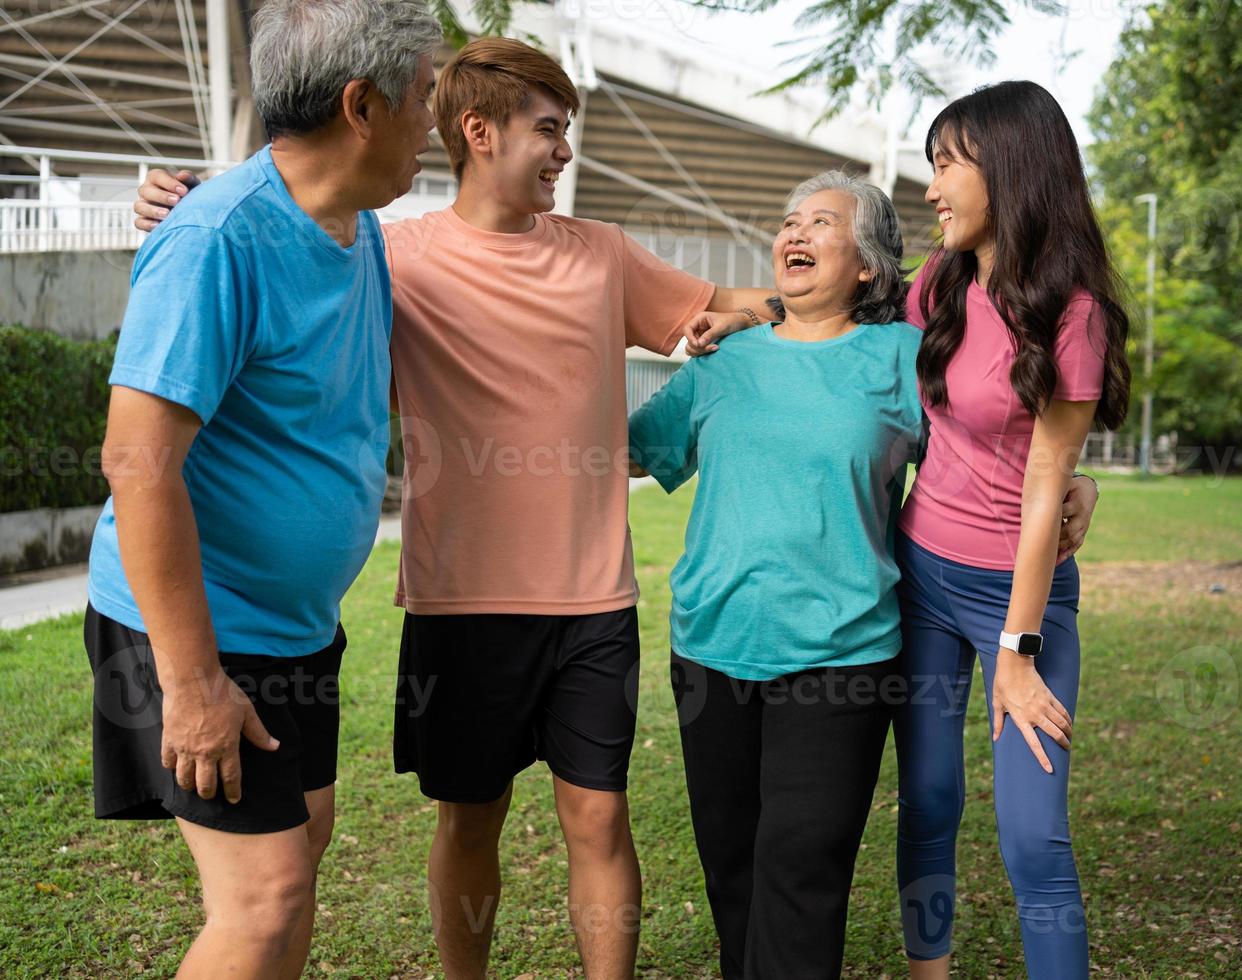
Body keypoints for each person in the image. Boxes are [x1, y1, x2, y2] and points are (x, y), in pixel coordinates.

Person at [133, 37, 780, 980]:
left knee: (599, 815)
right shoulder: (393, 258)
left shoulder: (602, 256)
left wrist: (820, 300)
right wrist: (180, 199)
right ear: (479, 132)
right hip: (461, 605)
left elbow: (731, 304)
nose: (564, 151)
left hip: (592, 601)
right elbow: (281, 230)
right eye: (550, 130)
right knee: (469, 820)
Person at [685, 81, 1127, 979]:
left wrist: (1019, 646)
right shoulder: (942, 283)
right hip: (922, 578)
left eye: (947, 164)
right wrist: (751, 313)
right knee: (927, 799)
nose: (931, 187)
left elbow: (1046, 489)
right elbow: (835, 312)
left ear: (1008, 168)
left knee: (1032, 834)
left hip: (1020, 593)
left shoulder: (1073, 312)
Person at [84, 1, 441, 977]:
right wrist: (192, 682)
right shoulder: (217, 238)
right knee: (267, 888)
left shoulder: (352, 223)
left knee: (304, 842)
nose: (436, 125)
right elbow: (137, 460)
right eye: (425, 98)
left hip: (290, 629)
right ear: (361, 106)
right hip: (196, 625)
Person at [628, 171, 919, 979]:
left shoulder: (903, 357)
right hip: (712, 647)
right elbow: (625, 449)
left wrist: (1075, 478)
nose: (794, 233)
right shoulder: (727, 360)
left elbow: (985, 453)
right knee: (733, 873)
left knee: (802, 865)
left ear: (867, 263)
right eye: (789, 222)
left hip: (843, 657)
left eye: (821, 223)